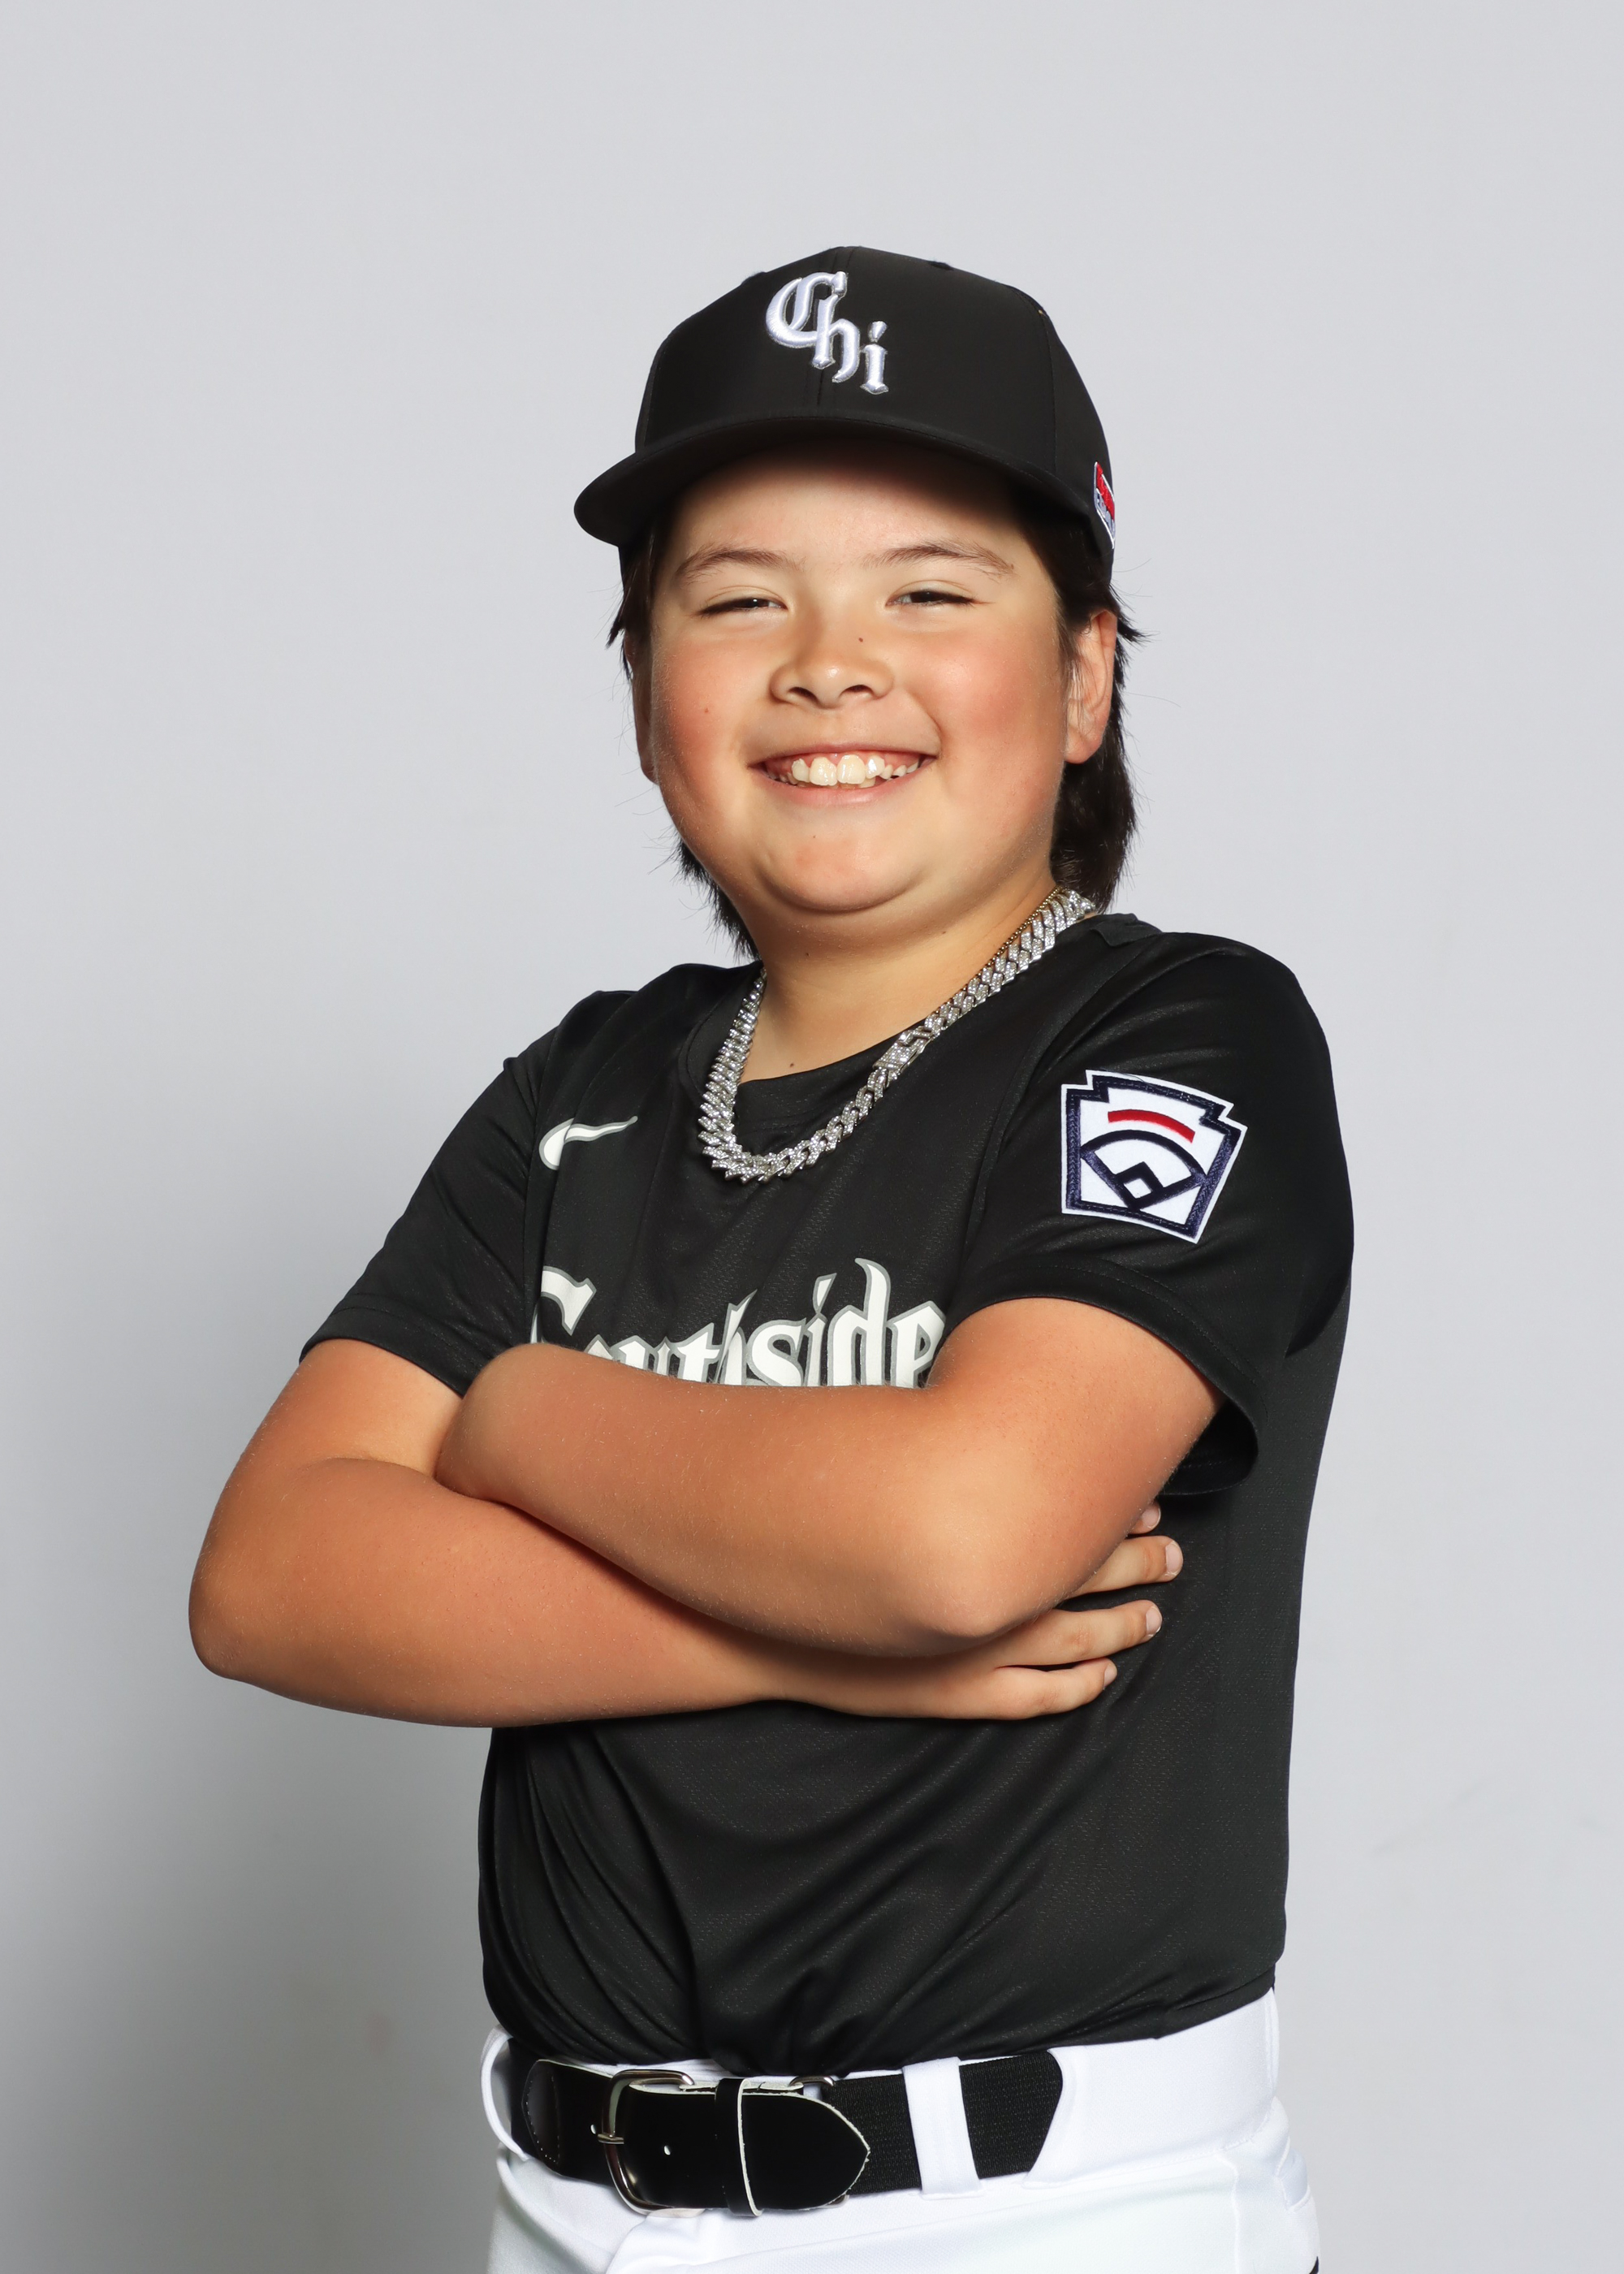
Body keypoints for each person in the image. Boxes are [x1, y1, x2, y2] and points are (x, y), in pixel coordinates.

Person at [191, 247, 1350, 2273]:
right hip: (575, 2203)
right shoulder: (582, 1093)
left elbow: (959, 1535)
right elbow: (275, 1574)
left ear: (1084, 675)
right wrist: (800, 1636)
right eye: (738, 600)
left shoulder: (1171, 1036)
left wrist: (520, 1412)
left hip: (1038, 2207)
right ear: (647, 694)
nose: (828, 663)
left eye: (930, 591)